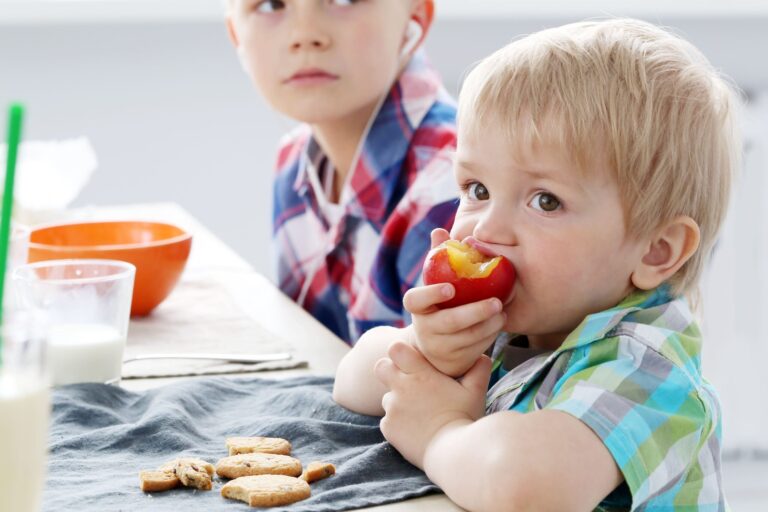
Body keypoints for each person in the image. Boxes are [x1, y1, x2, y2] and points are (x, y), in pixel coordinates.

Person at [333, 18, 741, 510]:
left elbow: (522, 487)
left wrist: (438, 431)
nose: (486, 230)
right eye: (477, 190)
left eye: (545, 201)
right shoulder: (525, 315)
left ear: (656, 250)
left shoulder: (648, 373)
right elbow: (351, 380)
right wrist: (429, 351)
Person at [225, 0, 458, 344]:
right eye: (271, 4)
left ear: (415, 17)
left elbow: (435, 373)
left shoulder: (453, 183)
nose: (305, 35)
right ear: (236, 34)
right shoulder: (294, 164)